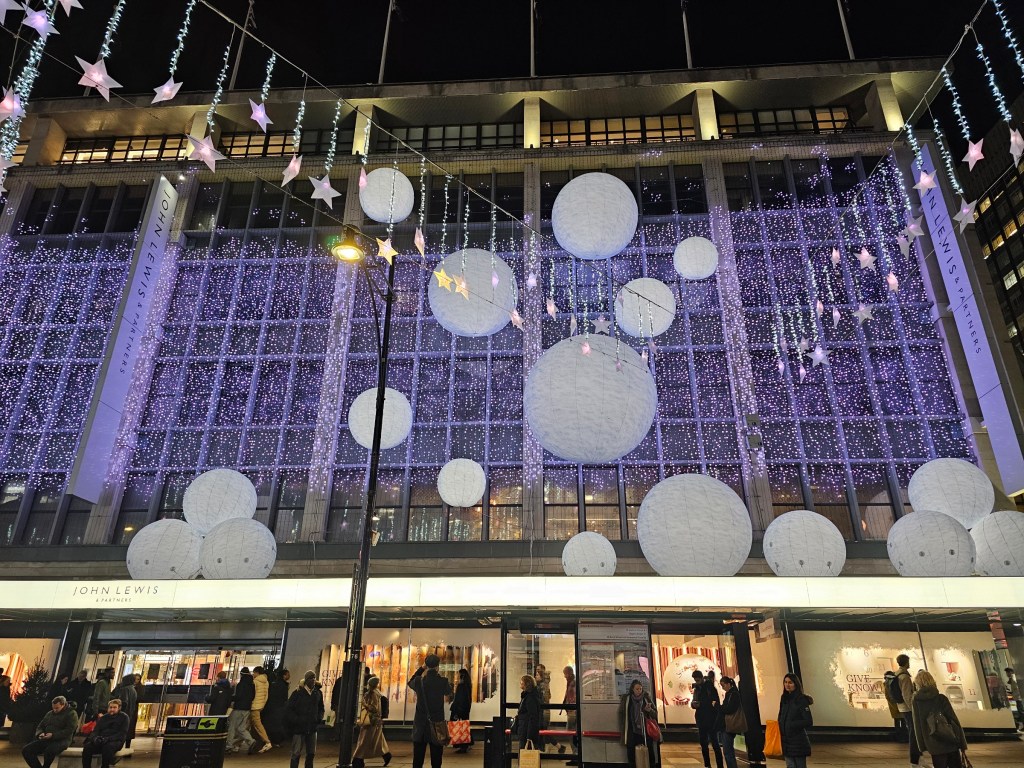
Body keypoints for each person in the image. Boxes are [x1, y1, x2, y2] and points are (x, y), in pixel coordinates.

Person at [910, 669, 967, 768]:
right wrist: (962, 742)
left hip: (933, 742)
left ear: (917, 683)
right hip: (950, 738)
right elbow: (953, 720)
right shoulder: (941, 698)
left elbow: (917, 724)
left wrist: (922, 746)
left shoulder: (916, 701)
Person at [409, 654, 453, 768]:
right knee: (436, 759)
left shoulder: (419, 681)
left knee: (417, 759)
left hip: (420, 726)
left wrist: (421, 668)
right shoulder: (443, 681)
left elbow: (410, 681)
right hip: (436, 725)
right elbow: (449, 692)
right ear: (438, 666)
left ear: (426, 666)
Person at [22, 695, 79, 768]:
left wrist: (53, 735)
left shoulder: (71, 714)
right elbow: (40, 726)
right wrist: (40, 733)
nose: (54, 710)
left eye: (57, 708)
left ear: (63, 705)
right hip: (47, 738)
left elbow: (69, 730)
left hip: (62, 740)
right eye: (53, 708)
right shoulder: (50, 713)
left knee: (49, 751)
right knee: (26, 750)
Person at [285, 671, 323, 768]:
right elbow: (289, 709)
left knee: (311, 753)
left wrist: (319, 718)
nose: (313, 680)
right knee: (296, 752)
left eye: (314, 678)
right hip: (299, 727)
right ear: (306, 680)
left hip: (312, 726)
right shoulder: (298, 693)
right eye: (311, 678)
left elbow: (321, 707)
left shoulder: (318, 693)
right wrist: (296, 720)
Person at [353, 676, 392, 768]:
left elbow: (374, 708)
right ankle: (386, 754)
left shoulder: (372, 694)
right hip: (375, 721)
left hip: (371, 721)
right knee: (377, 740)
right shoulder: (376, 693)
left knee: (364, 740)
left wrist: (365, 705)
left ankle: (358, 759)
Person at [620, 679, 659, 768]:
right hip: (632, 730)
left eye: (640, 689)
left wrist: (649, 710)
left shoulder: (646, 699)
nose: (639, 691)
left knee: (649, 752)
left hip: (645, 730)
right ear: (632, 689)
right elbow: (623, 714)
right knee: (631, 753)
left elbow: (655, 714)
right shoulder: (627, 699)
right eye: (637, 689)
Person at [81, 698, 130, 768]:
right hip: (101, 739)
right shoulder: (104, 717)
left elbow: (122, 734)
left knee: (107, 748)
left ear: (119, 708)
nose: (112, 709)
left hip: (115, 740)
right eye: (110, 707)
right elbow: (96, 730)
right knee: (87, 748)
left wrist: (108, 739)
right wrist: (95, 738)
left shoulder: (124, 717)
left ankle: (105, 766)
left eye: (114, 707)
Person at [778, 673, 813, 768]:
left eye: (790, 682)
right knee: (790, 765)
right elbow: (781, 715)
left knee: (800, 765)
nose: (787, 685)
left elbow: (808, 721)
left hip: (797, 741)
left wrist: (791, 725)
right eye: (785, 682)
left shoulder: (801, 700)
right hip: (785, 740)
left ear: (796, 684)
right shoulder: (784, 698)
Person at [691, 671, 723, 768]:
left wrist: (702, 704)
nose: (696, 681)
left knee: (715, 744)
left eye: (698, 679)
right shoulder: (697, 689)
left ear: (701, 678)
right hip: (701, 719)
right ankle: (707, 765)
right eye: (695, 680)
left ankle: (719, 765)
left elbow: (715, 702)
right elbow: (695, 700)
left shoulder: (709, 687)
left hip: (711, 719)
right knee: (704, 744)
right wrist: (694, 704)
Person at [894, 654, 920, 766]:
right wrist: (913, 708)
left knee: (913, 732)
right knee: (913, 733)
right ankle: (915, 760)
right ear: (906, 662)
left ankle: (917, 759)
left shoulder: (897, 674)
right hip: (907, 708)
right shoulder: (904, 677)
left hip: (901, 707)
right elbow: (906, 695)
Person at [715, 676, 743, 768]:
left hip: (729, 725)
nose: (722, 688)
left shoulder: (733, 694)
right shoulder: (731, 693)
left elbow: (728, 709)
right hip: (727, 725)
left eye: (723, 685)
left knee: (728, 751)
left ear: (728, 684)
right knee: (728, 751)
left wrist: (718, 706)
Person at [226, 666, 255, 755]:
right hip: (247, 708)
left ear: (241, 674)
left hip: (238, 708)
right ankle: (250, 741)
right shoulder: (252, 684)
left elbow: (238, 696)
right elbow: (252, 697)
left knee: (232, 727)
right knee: (241, 728)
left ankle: (229, 746)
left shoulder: (241, 684)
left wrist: (231, 698)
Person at [449, 668, 473, 753]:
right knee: (464, 727)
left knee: (459, 727)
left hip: (459, 709)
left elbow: (459, 699)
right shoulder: (467, 685)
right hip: (464, 710)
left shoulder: (461, 686)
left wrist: (456, 710)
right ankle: (465, 744)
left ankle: (462, 745)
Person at [111, 674, 138, 749]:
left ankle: (117, 747)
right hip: (130, 714)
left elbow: (124, 702)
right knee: (128, 732)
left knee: (120, 731)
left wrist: (119, 712)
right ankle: (127, 748)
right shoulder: (133, 690)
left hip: (125, 713)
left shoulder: (125, 689)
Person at [250, 665, 273, 752]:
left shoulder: (255, 681)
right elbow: (266, 695)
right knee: (249, 725)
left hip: (254, 705)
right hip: (260, 706)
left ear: (257, 672)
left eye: (254, 673)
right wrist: (262, 704)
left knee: (258, 725)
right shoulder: (266, 682)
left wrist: (251, 703)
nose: (253, 674)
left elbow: (252, 694)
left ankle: (267, 742)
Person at [265, 668, 290, 745]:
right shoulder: (283, 685)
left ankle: (273, 739)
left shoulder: (274, 683)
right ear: (284, 675)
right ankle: (277, 740)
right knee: (278, 724)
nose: (289, 676)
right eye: (288, 674)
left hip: (273, 706)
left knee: (274, 723)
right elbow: (284, 697)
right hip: (279, 706)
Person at [882, 671, 907, 742]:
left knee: (898, 721)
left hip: (894, 705)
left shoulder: (886, 684)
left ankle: (899, 737)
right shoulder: (894, 683)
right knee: (902, 721)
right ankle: (903, 737)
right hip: (898, 704)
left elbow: (888, 696)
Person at [560, 666, 577, 755]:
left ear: (569, 673)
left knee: (570, 732)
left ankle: (575, 753)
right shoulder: (572, 682)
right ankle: (576, 753)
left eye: (565, 674)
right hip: (572, 711)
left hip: (572, 712)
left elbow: (572, 698)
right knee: (573, 733)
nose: (564, 676)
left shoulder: (572, 683)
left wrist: (570, 708)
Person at [535, 664, 552, 747]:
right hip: (542, 709)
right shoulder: (540, 685)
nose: (536, 674)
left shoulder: (543, 685)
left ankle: (557, 745)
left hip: (544, 709)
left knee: (543, 729)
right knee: (542, 730)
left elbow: (545, 697)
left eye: (538, 671)